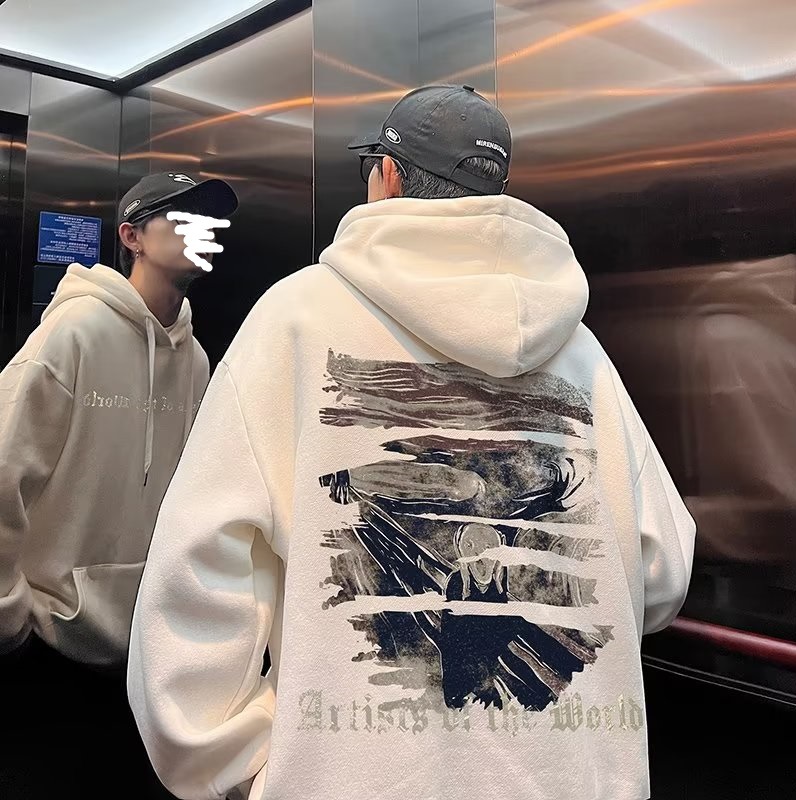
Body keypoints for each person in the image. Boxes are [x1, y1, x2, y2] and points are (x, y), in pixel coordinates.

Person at [128, 87, 695, 800]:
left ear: (388, 175)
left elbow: (196, 569)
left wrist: (227, 762)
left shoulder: (295, 317)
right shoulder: (580, 352)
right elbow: (662, 569)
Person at [0, 171, 237, 799]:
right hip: (48, 650)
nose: (202, 233)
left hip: (148, 657)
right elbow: (4, 472)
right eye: (182, 219)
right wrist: (9, 618)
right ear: (132, 237)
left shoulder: (196, 360)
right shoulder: (74, 332)